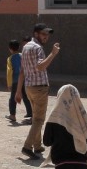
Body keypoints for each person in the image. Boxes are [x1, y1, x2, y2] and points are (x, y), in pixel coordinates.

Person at [15, 22, 61, 159]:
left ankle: (37, 145)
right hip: (39, 87)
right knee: (39, 119)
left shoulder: (26, 47)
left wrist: (18, 91)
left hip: (29, 87)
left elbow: (22, 71)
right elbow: (41, 67)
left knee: (36, 117)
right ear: (36, 34)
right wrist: (53, 54)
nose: (46, 37)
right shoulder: (38, 48)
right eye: (43, 34)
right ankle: (27, 147)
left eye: (47, 34)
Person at [6, 38, 32, 124]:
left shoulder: (10, 59)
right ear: (19, 47)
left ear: (10, 48)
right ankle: (30, 114)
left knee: (13, 98)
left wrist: (9, 84)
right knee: (26, 97)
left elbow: (9, 72)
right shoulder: (22, 55)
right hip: (25, 79)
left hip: (15, 81)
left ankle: (12, 115)